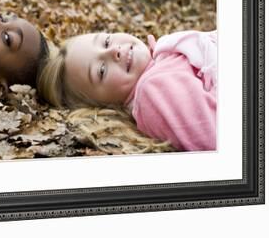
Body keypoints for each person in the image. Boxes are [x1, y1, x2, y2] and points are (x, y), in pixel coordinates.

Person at [37, 30, 217, 151]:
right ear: (103, 105)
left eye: (106, 41)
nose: (114, 51)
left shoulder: (161, 59)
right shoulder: (153, 91)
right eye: (101, 70)